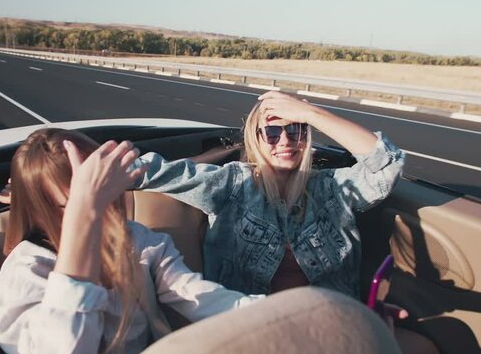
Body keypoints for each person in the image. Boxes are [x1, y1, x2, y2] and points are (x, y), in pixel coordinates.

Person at [0, 128, 263, 354]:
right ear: (39, 210)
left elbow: (196, 295)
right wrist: (85, 215)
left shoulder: (137, 240)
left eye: (110, 192)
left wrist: (274, 314)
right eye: (84, 202)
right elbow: (67, 350)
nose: (107, 210)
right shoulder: (26, 271)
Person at [132, 91, 405, 299]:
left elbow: (388, 164)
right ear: (256, 139)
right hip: (254, 326)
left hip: (329, 321)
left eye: (295, 129)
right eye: (272, 133)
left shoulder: (332, 188)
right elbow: (154, 171)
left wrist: (310, 113)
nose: (285, 141)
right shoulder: (233, 185)